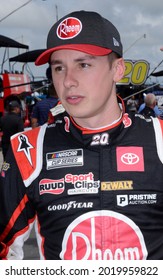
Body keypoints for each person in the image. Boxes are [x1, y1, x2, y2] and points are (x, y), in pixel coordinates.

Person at [0, 10, 163, 260]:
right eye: (59, 68)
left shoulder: (159, 137)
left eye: (83, 65)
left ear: (118, 69)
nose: (68, 81)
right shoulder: (29, 149)